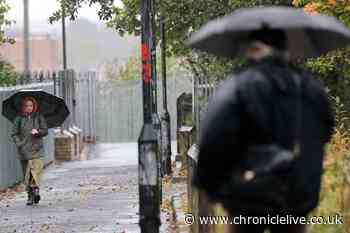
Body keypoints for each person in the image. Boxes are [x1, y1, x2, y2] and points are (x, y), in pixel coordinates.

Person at [194, 29, 335, 233]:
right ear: (285, 51)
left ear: (256, 48)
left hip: (247, 196)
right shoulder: (310, 87)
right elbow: (326, 131)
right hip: (295, 196)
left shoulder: (239, 86)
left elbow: (214, 137)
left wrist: (209, 185)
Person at [11, 96, 48, 205]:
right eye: (26, 106)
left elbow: (45, 131)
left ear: (34, 106)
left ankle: (35, 189)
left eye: (31, 105)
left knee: (36, 171)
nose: (29, 108)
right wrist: (19, 143)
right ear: (23, 107)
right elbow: (14, 134)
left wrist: (38, 131)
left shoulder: (39, 117)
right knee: (27, 174)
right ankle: (30, 195)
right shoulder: (19, 119)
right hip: (24, 150)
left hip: (37, 149)